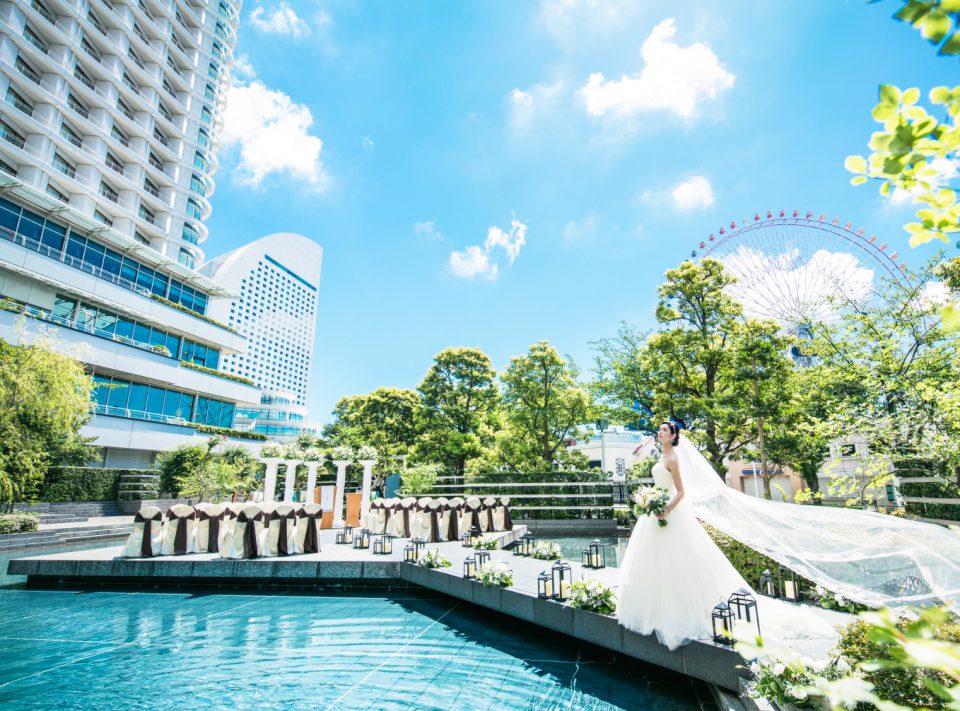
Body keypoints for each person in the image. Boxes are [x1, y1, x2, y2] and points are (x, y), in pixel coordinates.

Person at [618, 421, 749, 650]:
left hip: (670, 513)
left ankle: (680, 612)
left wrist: (667, 509)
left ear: (673, 436)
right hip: (654, 513)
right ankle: (653, 610)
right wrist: (649, 500)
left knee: (676, 561)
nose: (660, 432)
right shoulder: (661, 456)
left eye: (664, 430)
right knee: (653, 561)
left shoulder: (673, 458)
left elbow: (681, 492)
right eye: (659, 430)